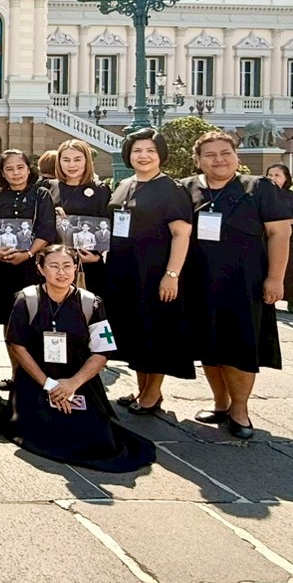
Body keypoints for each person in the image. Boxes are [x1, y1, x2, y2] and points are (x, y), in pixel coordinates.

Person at [6, 245, 155, 471]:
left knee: (96, 440)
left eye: (67, 266)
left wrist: (72, 384)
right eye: (53, 266)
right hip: (37, 380)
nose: (61, 272)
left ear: (76, 268)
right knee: (45, 432)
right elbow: (18, 347)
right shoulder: (26, 299)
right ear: (41, 268)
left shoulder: (90, 302)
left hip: (78, 379)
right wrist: (50, 385)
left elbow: (102, 351)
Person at [187, 135, 293, 439]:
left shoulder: (259, 188)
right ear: (198, 160)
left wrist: (275, 278)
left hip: (245, 283)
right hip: (200, 281)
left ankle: (240, 410)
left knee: (239, 347)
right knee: (209, 346)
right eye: (210, 155)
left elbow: (279, 234)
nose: (218, 159)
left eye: (225, 153)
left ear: (237, 156)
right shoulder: (188, 188)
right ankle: (220, 403)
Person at [105, 128, 194, 416]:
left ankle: (152, 393)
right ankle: (142, 389)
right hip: (124, 270)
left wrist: (172, 274)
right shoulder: (125, 184)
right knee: (135, 332)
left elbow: (181, 233)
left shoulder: (171, 189)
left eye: (150, 151)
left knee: (155, 331)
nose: (143, 156)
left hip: (154, 271)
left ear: (160, 155)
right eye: (137, 151)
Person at [0, 149, 55, 324]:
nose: (16, 173)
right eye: (10, 169)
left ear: (29, 169)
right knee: (5, 317)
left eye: (20, 167)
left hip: (30, 265)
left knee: (32, 316)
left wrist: (28, 254)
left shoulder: (41, 195)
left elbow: (46, 230)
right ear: (2, 173)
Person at [54, 138, 111, 294]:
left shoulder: (100, 189)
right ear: (59, 162)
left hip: (88, 264)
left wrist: (96, 256)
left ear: (87, 161)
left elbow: (106, 224)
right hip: (55, 264)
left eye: (77, 159)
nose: (71, 165)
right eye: (66, 160)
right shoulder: (49, 187)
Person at [265, 163, 293, 313]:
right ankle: (268, 300)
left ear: (286, 178)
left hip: (288, 239)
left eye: (277, 175)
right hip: (264, 238)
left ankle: (291, 300)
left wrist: (285, 223)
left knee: (288, 270)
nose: (273, 178)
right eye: (270, 175)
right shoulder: (261, 195)